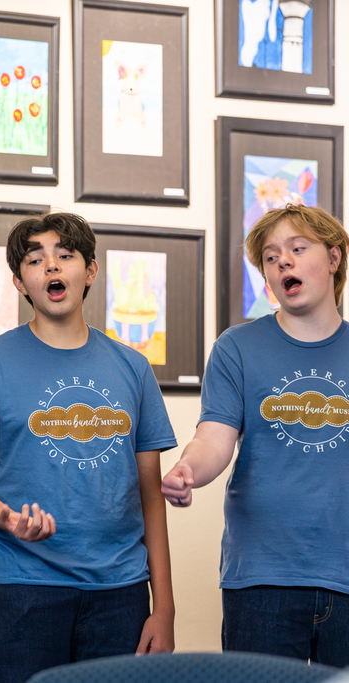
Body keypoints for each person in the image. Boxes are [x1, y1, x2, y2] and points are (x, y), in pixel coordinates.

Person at [0, 212, 177, 683]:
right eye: (35, 259)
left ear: (89, 271)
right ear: (19, 282)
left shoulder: (133, 368)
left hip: (120, 590)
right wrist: (9, 518)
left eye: (64, 256)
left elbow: (150, 497)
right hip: (16, 585)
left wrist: (164, 606)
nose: (51, 267)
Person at [162, 204, 349, 665]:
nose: (282, 260)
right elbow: (214, 439)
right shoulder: (237, 347)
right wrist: (188, 469)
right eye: (270, 256)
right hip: (262, 580)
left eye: (297, 248)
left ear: (334, 258)